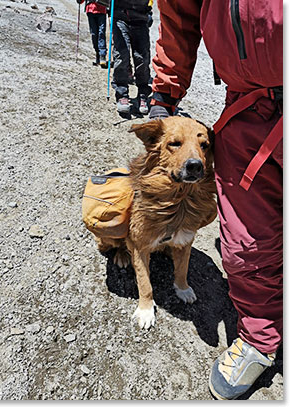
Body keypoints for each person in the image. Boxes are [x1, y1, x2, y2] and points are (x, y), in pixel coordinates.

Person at [149, 0, 282, 400]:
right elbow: (179, 12)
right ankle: (260, 339)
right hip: (248, 112)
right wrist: (165, 89)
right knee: (247, 237)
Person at [111, 0, 152, 115]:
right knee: (121, 55)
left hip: (141, 17)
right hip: (120, 16)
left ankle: (142, 94)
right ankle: (122, 93)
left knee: (142, 59)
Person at [76, 0, 108, 68]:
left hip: (102, 9)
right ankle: (98, 54)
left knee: (101, 33)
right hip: (90, 10)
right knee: (94, 34)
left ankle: (102, 55)